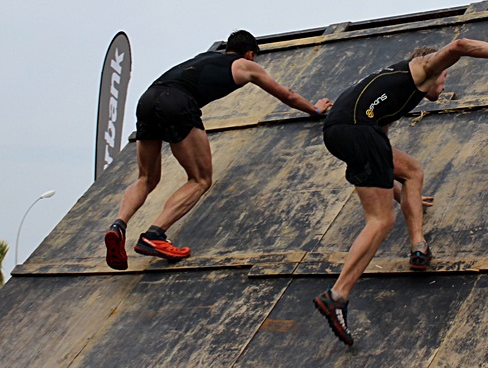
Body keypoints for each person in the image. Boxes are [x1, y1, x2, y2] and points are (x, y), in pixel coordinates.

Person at [314, 38, 488, 345]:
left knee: (412, 171)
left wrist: (403, 195)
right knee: (380, 221)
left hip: (343, 131)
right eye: (445, 75)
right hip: (357, 130)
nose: (444, 80)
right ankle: (337, 295)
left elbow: (383, 155)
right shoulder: (423, 67)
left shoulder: (394, 92)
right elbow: (462, 44)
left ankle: (418, 246)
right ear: (434, 67)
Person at [104, 30, 333, 269]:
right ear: (250, 53)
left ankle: (118, 226)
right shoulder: (245, 65)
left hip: (148, 99)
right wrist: (315, 110)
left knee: (146, 178)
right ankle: (154, 235)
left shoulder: (202, 57)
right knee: (200, 179)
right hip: (177, 102)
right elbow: (286, 94)